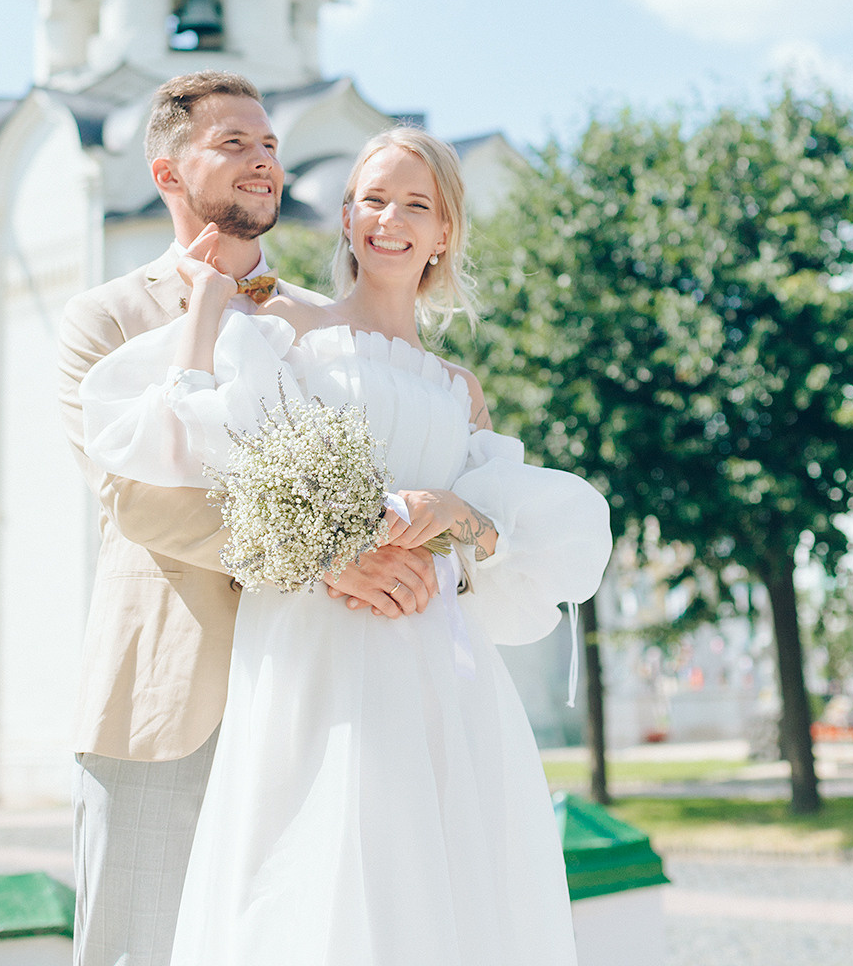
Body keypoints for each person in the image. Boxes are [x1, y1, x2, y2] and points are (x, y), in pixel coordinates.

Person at [80, 126, 613, 965]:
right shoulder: (283, 325)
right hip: (311, 647)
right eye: (372, 198)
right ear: (343, 216)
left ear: (445, 234)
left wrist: (449, 519)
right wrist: (208, 304)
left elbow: (498, 539)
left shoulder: (458, 387)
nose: (389, 219)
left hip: (434, 660)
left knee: (434, 883)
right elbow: (184, 439)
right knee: (306, 875)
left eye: (415, 204)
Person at [58, 71, 442, 966]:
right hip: (164, 695)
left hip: (321, 688)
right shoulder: (102, 320)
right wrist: (321, 559)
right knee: (136, 948)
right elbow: (139, 499)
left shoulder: (324, 325)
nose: (263, 162)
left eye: (269, 145)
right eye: (234, 144)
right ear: (168, 172)